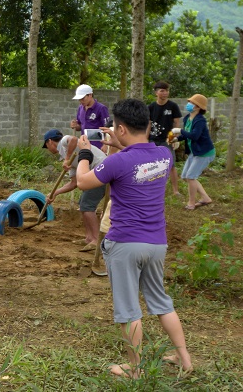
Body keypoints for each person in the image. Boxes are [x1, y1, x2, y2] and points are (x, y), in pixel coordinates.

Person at [76, 98, 192, 378]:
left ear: (120, 129)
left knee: (129, 310)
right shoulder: (164, 154)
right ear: (149, 125)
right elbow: (139, 157)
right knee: (161, 302)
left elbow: (82, 182)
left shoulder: (118, 161)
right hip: (156, 243)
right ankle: (184, 358)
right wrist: (121, 144)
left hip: (125, 244)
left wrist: (84, 153)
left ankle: (135, 370)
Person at [42, 128, 106, 251]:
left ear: (50, 141)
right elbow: (74, 183)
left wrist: (67, 158)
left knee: (87, 205)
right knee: (83, 204)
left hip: (101, 170)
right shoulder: (71, 159)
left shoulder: (64, 142)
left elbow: (73, 139)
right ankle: (89, 237)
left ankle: (96, 240)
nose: (49, 150)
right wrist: (55, 193)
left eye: (46, 146)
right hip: (95, 173)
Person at [171, 94, 214, 210]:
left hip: (204, 153)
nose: (189, 104)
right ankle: (205, 198)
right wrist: (177, 139)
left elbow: (194, 136)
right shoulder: (187, 118)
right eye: (189, 101)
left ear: (198, 107)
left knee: (190, 177)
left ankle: (191, 202)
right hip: (195, 152)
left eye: (192, 103)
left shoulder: (200, 120)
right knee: (186, 176)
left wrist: (179, 131)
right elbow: (187, 134)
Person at [148, 81, 182, 196]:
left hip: (167, 140)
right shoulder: (151, 107)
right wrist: (145, 139)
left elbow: (176, 123)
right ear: (156, 93)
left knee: (171, 165)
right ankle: (153, 190)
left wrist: (174, 139)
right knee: (152, 165)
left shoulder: (173, 106)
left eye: (167, 90)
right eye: (162, 91)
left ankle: (175, 191)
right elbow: (148, 124)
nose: (165, 93)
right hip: (153, 140)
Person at [70, 84, 110, 150]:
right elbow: (80, 126)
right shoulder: (80, 108)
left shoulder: (101, 108)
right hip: (84, 145)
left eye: (83, 98)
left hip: (98, 146)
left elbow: (108, 128)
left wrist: (105, 144)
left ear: (90, 95)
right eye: (79, 99)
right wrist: (75, 126)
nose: (81, 101)